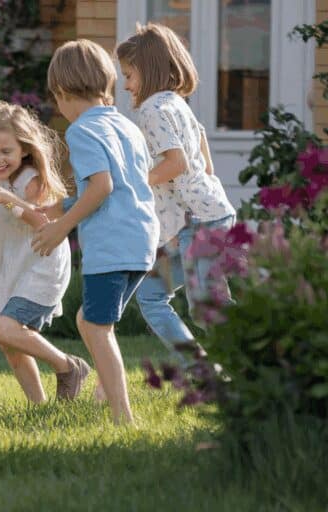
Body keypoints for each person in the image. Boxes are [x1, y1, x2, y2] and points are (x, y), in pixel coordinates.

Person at [32, 39, 159, 425]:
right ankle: (107, 392)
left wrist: (60, 228)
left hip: (111, 243)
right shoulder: (125, 126)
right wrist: (62, 206)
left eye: (57, 99)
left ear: (63, 92)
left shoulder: (82, 132)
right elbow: (119, 185)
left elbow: (102, 187)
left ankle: (123, 416)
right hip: (141, 241)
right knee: (92, 320)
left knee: (96, 327)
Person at [116, 23, 237, 367]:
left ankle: (263, 351)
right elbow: (200, 149)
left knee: (205, 305)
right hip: (195, 218)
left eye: (129, 75)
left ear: (149, 70)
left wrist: (140, 182)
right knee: (153, 295)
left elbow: (177, 162)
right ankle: (201, 368)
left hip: (199, 222)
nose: (125, 84)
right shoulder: (176, 103)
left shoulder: (152, 110)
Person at [0, 101, 91, 404]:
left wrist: (7, 199)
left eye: (5, 152)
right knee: (11, 345)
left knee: (4, 331)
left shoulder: (30, 181)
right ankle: (39, 405)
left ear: (23, 149)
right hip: (12, 264)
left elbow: (42, 220)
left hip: (41, 263)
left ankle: (69, 367)